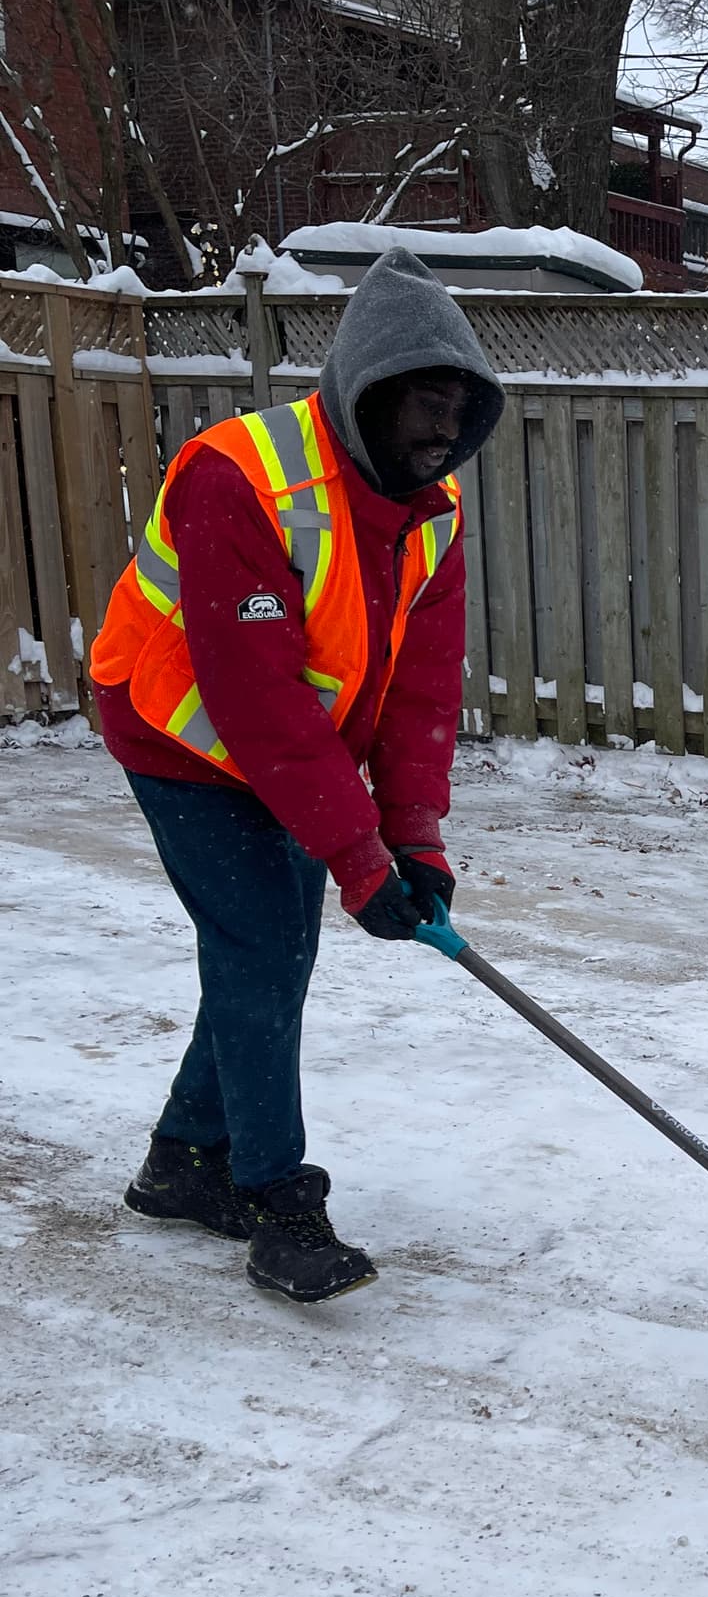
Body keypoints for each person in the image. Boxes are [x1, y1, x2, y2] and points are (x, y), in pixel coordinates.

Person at [90, 249, 505, 1303]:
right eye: (417, 421)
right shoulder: (237, 474)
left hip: (280, 748)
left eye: (453, 424)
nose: (434, 449)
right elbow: (255, 697)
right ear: (364, 395)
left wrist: (411, 834)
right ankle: (276, 1198)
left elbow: (418, 693)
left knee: (261, 948)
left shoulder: (434, 511)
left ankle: (184, 1160)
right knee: (267, 943)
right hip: (176, 730)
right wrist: (355, 855)